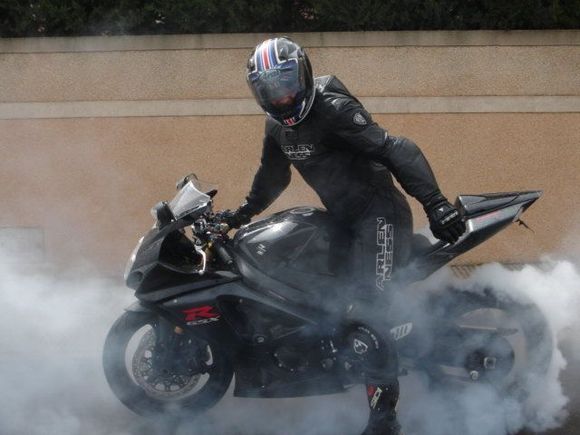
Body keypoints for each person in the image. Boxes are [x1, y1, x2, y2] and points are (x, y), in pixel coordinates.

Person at [223, 37, 466, 435]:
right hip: (341, 220)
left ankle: (385, 420)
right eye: (270, 89)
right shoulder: (276, 128)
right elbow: (272, 177)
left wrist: (436, 203)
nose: (281, 97)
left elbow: (395, 148)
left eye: (286, 84)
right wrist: (242, 214)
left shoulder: (334, 109)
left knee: (369, 309)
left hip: (378, 215)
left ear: (302, 75)